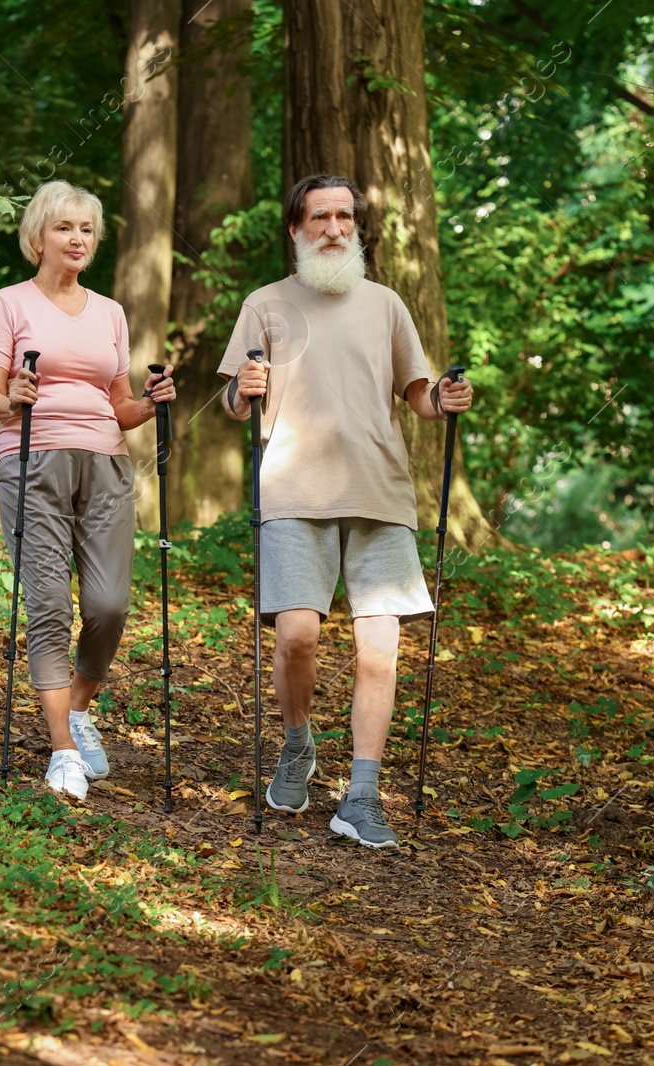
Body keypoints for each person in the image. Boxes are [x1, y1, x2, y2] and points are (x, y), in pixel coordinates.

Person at [219, 174, 474, 848]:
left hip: (380, 492)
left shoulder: (387, 304)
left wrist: (444, 398)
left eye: (345, 217)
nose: (335, 228)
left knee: (380, 650)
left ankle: (362, 794)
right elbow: (235, 403)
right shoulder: (265, 304)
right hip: (293, 491)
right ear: (295, 230)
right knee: (298, 631)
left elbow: (418, 396)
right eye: (321, 217)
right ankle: (298, 743)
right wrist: (243, 390)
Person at [0, 179, 175, 801]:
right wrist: (11, 397)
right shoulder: (10, 303)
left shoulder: (110, 312)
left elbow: (119, 407)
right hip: (31, 457)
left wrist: (151, 403)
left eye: (87, 229)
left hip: (107, 464)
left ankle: (80, 706)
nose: (78, 238)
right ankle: (62, 748)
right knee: (49, 606)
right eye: (66, 227)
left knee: (109, 604)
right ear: (39, 237)